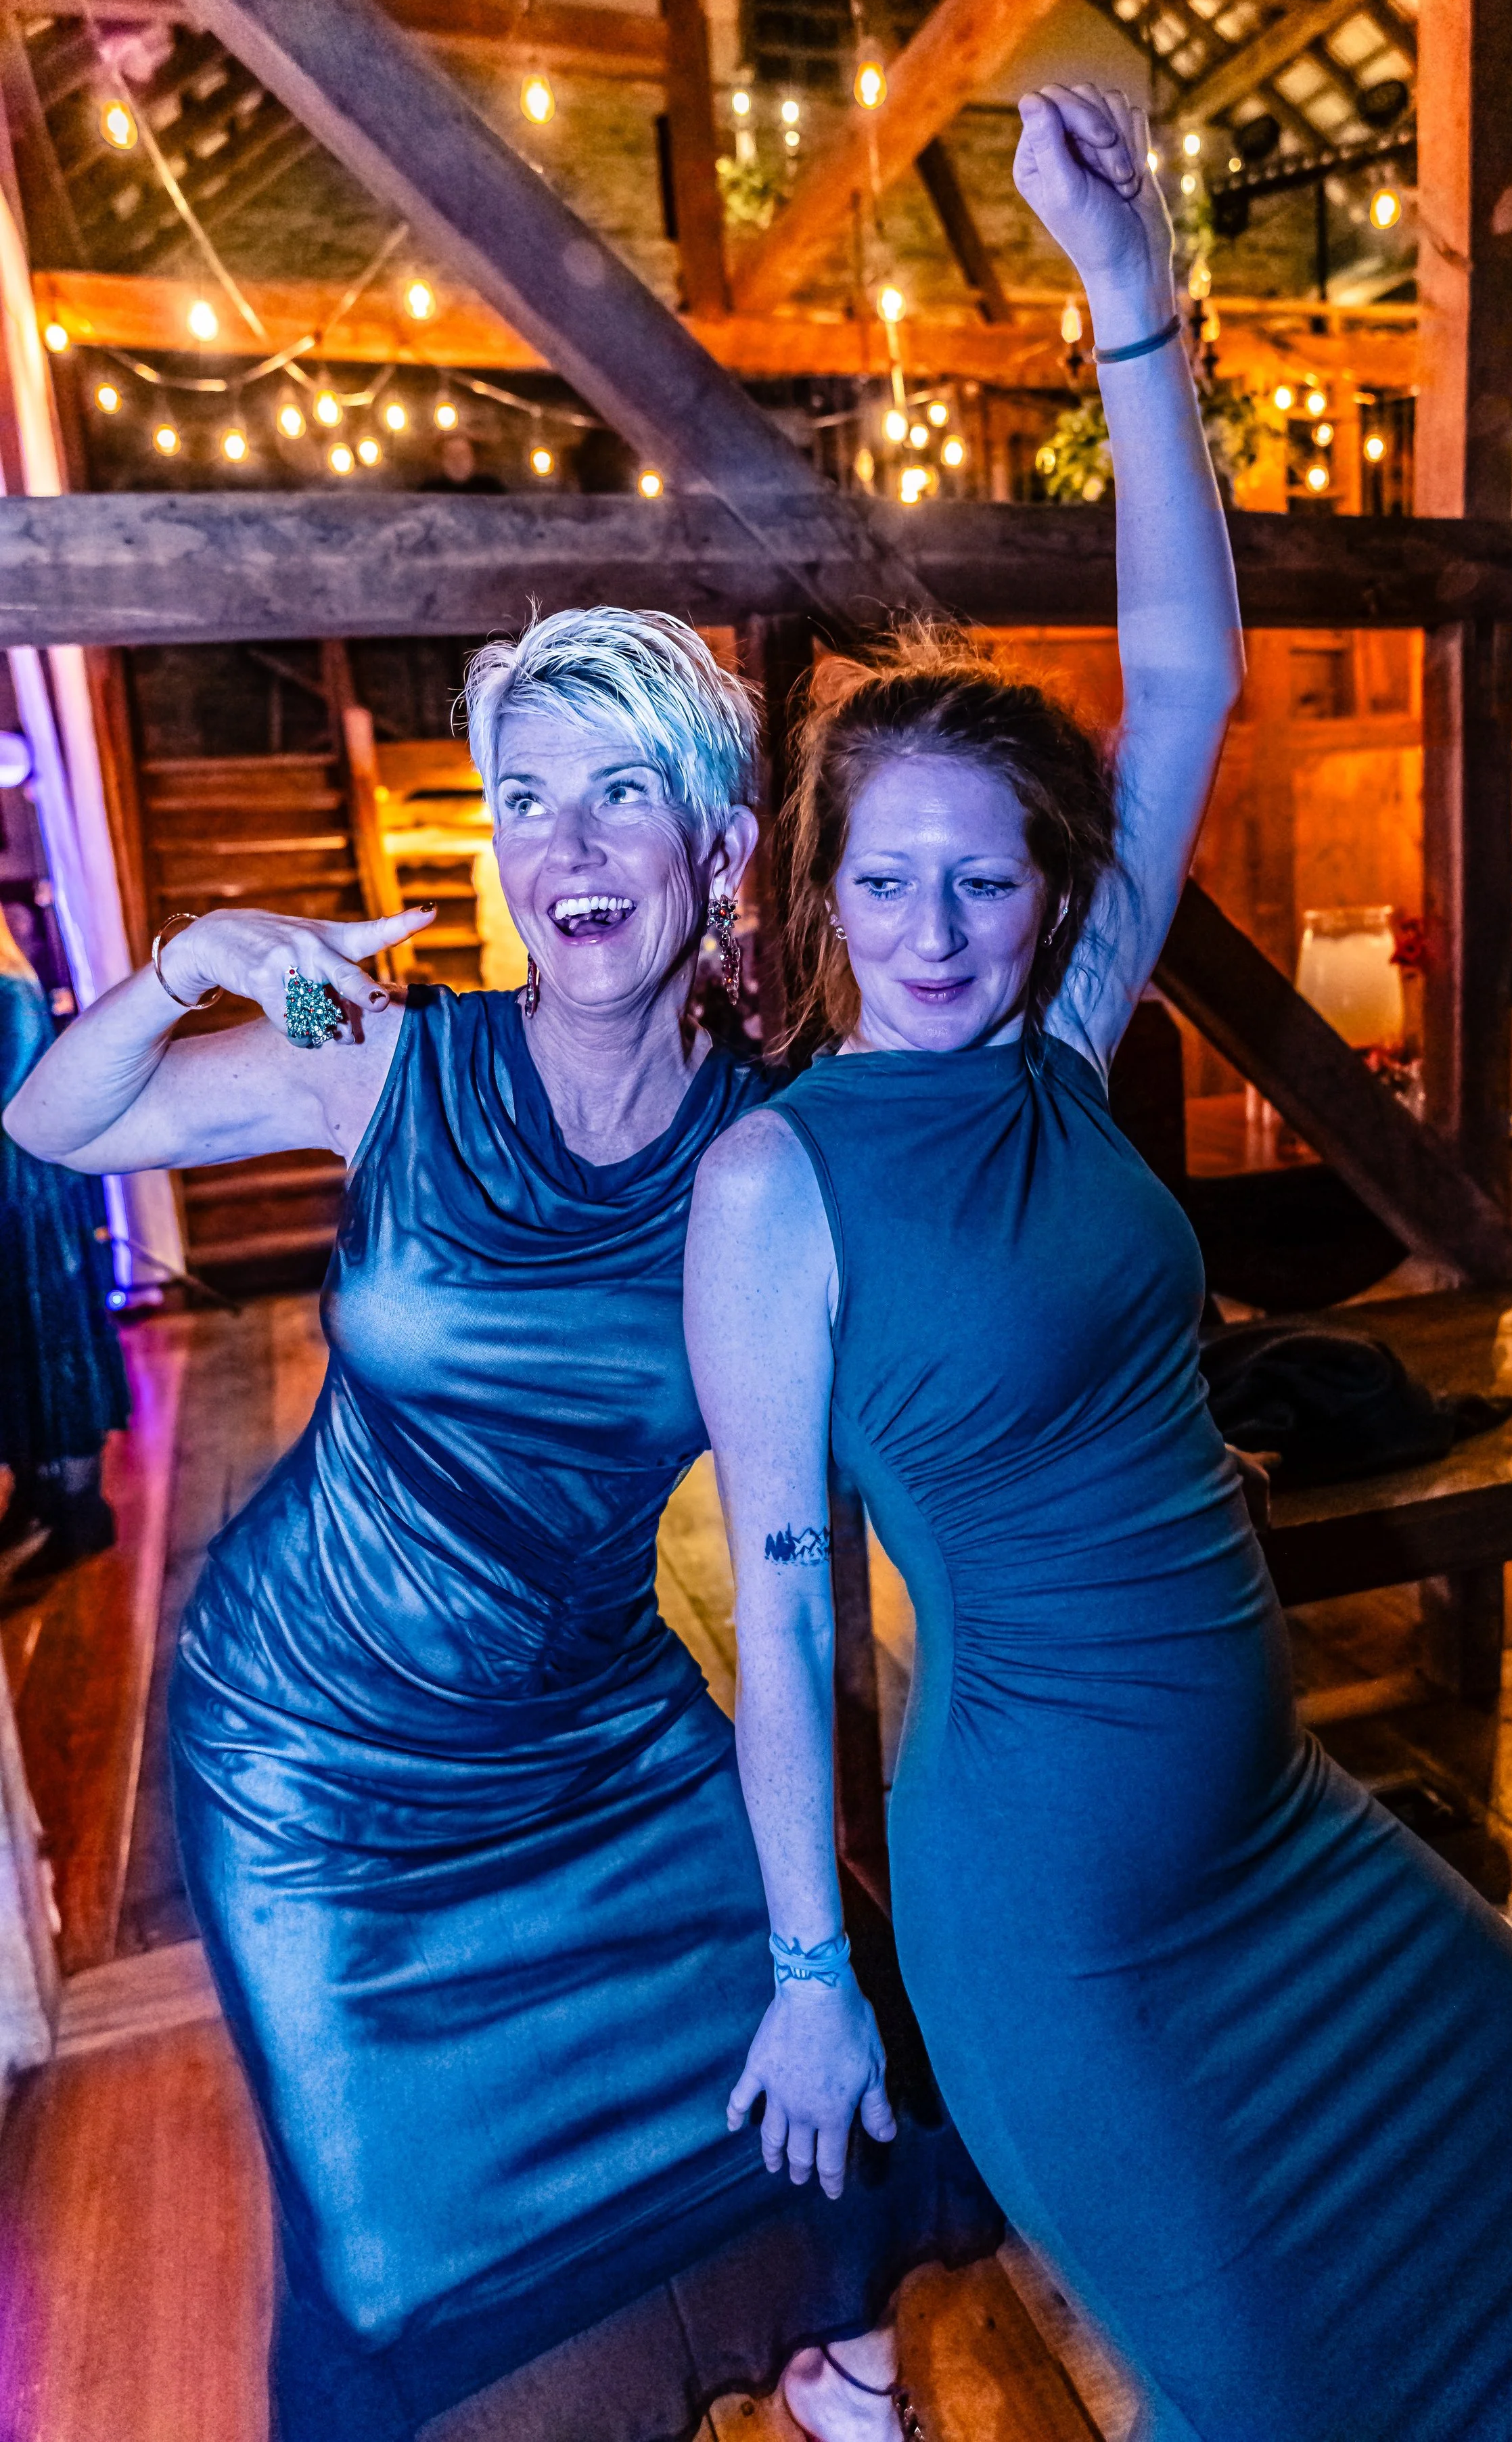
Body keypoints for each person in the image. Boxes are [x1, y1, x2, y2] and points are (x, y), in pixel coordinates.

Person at [683, 86, 1512, 2442]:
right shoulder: (775, 1186)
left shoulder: (1053, 1047)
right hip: (1068, 1924)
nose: (937, 931)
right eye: (890, 880)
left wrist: (1133, 298)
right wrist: (815, 1973)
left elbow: (1191, 674)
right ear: (825, 894)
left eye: (986, 881)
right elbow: (794, 1609)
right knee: (1285, 2385)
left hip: (1284, 1828)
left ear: (1044, 900)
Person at [3, 610, 998, 2442]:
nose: (569, 849)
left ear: (713, 852)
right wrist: (196, 960)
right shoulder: (377, 1041)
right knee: (404, 2272)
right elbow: (57, 1120)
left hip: (595, 1743)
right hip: (310, 1767)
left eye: (626, 796)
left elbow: (827, 1528)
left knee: (835, 2052)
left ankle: (843, 2364)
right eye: (525, 800)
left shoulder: (774, 1153)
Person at [0, 908, 128, 1579]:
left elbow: (15, 1101)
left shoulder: (9, 988)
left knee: (49, 1340)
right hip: (14, 1195)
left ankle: (81, 1509)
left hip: (24, 1199)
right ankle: (38, 1490)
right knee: (16, 1350)